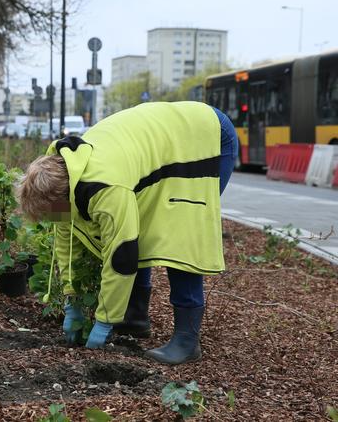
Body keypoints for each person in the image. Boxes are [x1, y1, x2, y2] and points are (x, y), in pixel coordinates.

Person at [18, 101, 238, 365]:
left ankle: (186, 340)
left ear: (62, 199)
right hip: (163, 142)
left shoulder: (107, 188)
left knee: (182, 231)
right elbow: (67, 240)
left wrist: (103, 322)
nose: (52, 221)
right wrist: (72, 300)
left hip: (202, 137)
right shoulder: (65, 174)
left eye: (51, 214)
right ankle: (134, 318)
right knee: (139, 224)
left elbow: (121, 256)